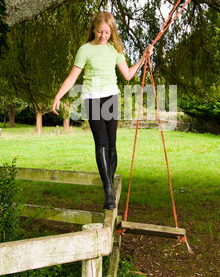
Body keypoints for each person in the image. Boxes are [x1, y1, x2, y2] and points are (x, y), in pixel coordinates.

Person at [52, 11, 154, 210]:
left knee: (112, 144)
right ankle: (108, 191)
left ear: (112, 32)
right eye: (100, 32)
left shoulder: (114, 49)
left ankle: (109, 184)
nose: (103, 36)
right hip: (92, 99)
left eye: (107, 32)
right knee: (101, 142)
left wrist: (143, 57)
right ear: (93, 30)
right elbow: (73, 77)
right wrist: (58, 95)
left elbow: (127, 75)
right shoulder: (84, 50)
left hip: (111, 98)